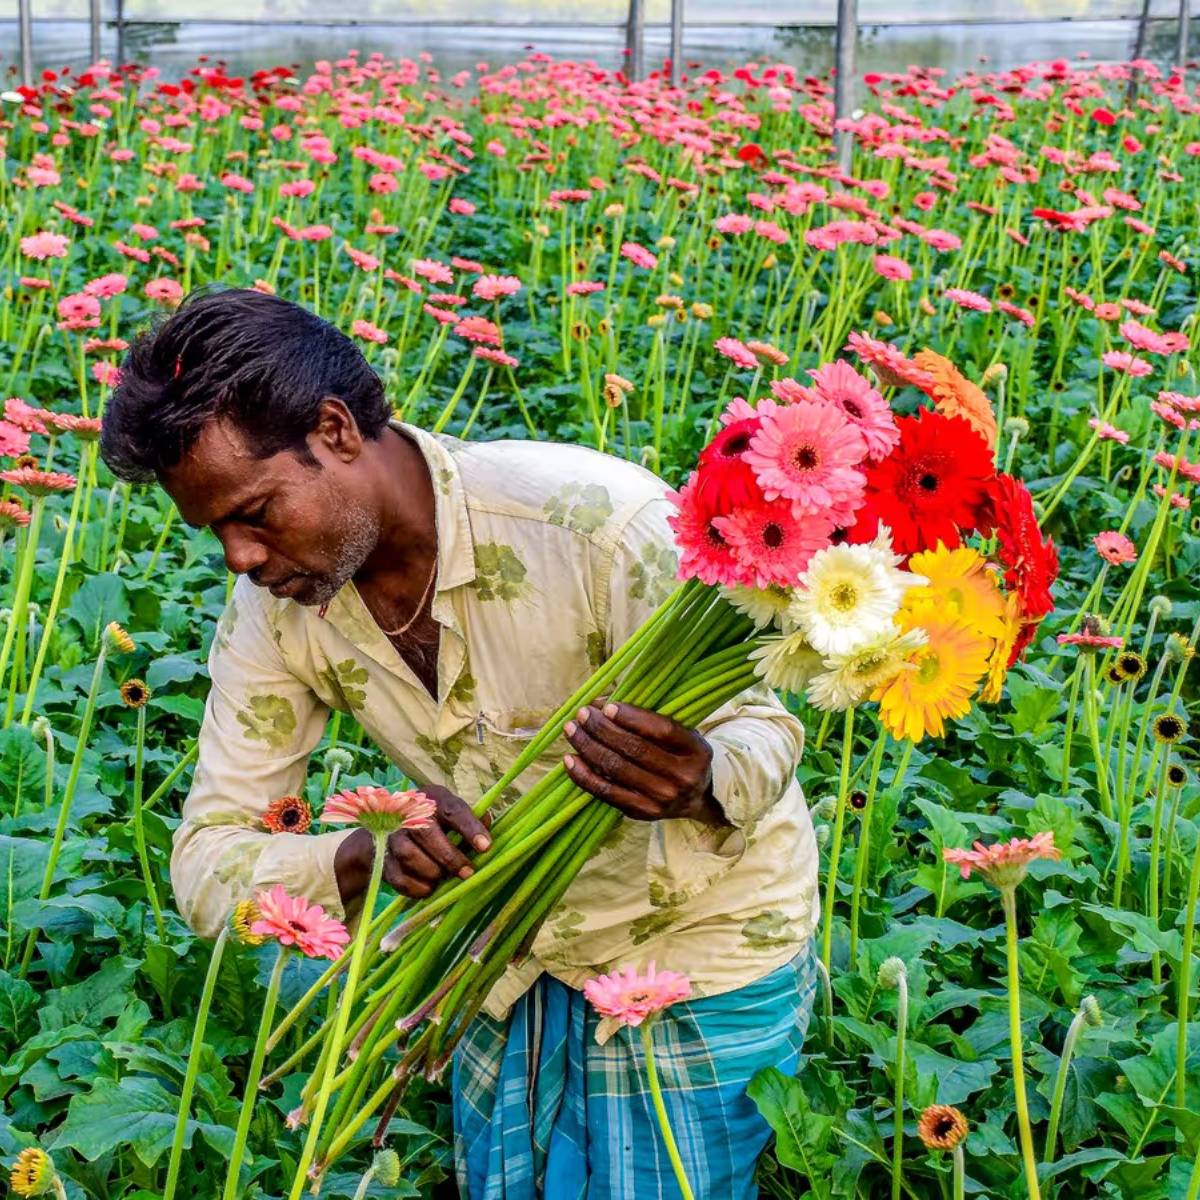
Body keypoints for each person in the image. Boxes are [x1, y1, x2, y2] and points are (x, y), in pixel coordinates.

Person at [100, 288, 820, 1199]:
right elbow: (206, 859)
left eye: (256, 512)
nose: (239, 557)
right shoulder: (276, 613)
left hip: (694, 945)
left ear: (334, 431)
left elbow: (766, 717)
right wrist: (368, 859)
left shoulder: (596, 524)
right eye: (215, 533)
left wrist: (701, 774)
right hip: (498, 958)